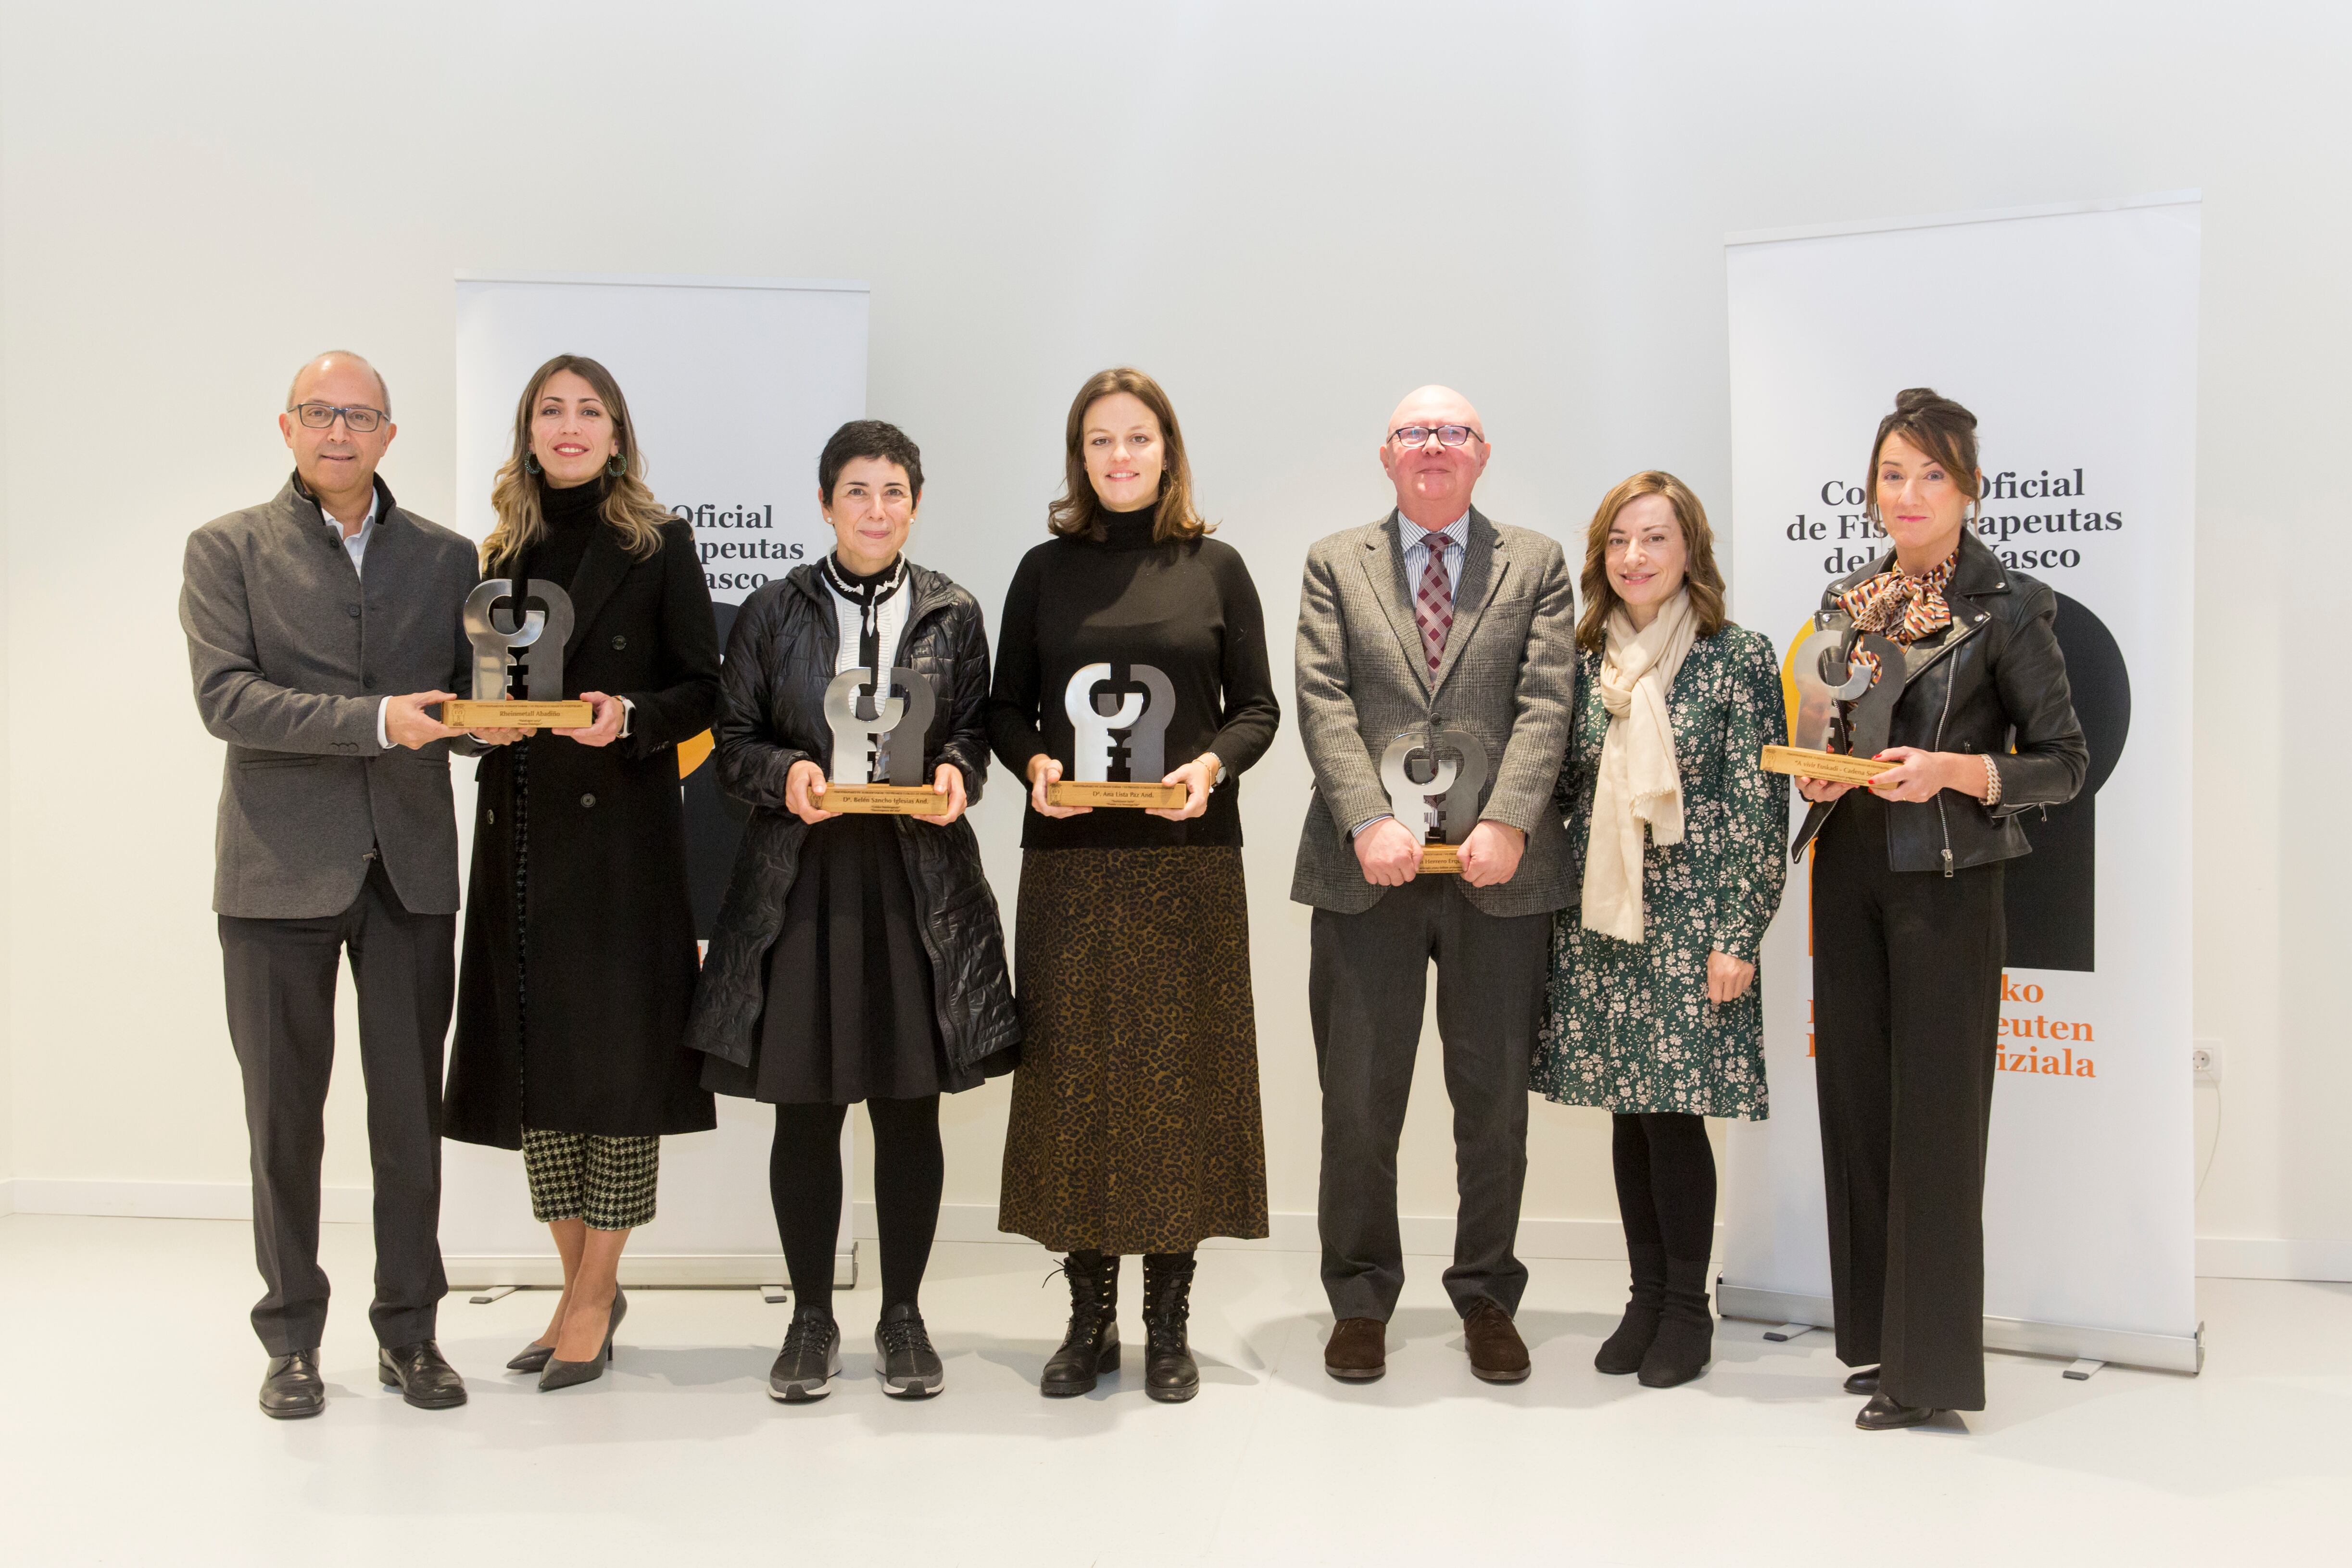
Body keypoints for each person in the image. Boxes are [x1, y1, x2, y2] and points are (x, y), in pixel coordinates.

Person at [687, 420, 1018, 1403]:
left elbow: (971, 734)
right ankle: (809, 1316)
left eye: (894, 492)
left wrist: (959, 772)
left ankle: (904, 1314)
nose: (877, 509)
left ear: (915, 502)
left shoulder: (953, 611)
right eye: (858, 492)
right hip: (803, 879)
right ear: (825, 503)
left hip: (917, 883)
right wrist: (785, 771)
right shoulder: (773, 609)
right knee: (808, 1109)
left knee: (909, 1108)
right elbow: (731, 739)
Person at [181, 351, 479, 1418]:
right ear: (287, 425)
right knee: (283, 1121)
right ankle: (292, 1338)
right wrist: (376, 721)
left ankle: (412, 1332)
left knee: (409, 1117)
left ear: (390, 436)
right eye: (321, 413)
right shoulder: (226, 549)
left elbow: (466, 709)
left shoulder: (451, 557)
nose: (339, 432)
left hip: (409, 872)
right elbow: (228, 700)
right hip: (275, 874)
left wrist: (509, 725)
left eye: (360, 417)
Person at [1791, 388, 2086, 1430]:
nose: (1907, 494)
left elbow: (2064, 763)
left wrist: (1958, 767)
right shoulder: (1847, 596)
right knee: (1860, 1113)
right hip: (1852, 871)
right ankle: (1880, 1342)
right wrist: (1819, 776)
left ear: (1966, 488)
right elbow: (1836, 724)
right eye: (1890, 474)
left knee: (1937, 1125)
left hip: (1950, 885)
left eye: (1929, 475)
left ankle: (1932, 1375)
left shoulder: (2009, 606)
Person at [987, 367, 1281, 1403]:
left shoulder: (1219, 566)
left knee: (1180, 1081)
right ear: (1081, 456)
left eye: (1138, 438)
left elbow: (1257, 709)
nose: (1120, 457)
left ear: (1168, 450)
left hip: (1187, 866)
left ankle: (1167, 1321)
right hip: (1069, 864)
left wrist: (1210, 767)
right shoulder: (1042, 568)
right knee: (1075, 1081)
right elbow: (1003, 708)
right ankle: (1086, 1319)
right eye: (1100, 441)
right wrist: (1032, 769)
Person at [440, 354, 722, 1391]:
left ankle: (595, 1295)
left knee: (617, 1077)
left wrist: (634, 716)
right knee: (536, 1077)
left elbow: (705, 686)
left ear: (616, 432)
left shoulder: (659, 543)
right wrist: (465, 723)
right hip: (519, 840)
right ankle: (578, 1289)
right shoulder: (498, 549)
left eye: (587, 410)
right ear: (526, 431)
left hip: (620, 849)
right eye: (550, 410)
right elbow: (464, 692)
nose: (568, 426)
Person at [1292, 386, 1578, 1385]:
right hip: (1363, 872)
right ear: (1385, 455)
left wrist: (1507, 819)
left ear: (1482, 453)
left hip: (1498, 875)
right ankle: (1360, 1298)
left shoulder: (1535, 563)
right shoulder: (1335, 561)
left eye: (1451, 432)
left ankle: (1488, 1293)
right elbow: (1323, 698)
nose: (1433, 447)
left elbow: (1548, 702)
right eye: (1415, 432)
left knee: (1492, 1103)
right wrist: (1368, 817)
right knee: (1357, 1104)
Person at [1532, 472, 1788, 1389]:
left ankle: (1688, 1306)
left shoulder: (1738, 657)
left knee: (1677, 1119)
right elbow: (1559, 786)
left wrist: (1739, 932)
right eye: (1619, 542)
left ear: (1691, 553)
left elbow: (1759, 808)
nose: (1635, 558)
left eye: (1655, 539)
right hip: (1603, 921)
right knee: (1630, 1115)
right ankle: (1645, 1296)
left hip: (1693, 924)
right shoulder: (1578, 659)